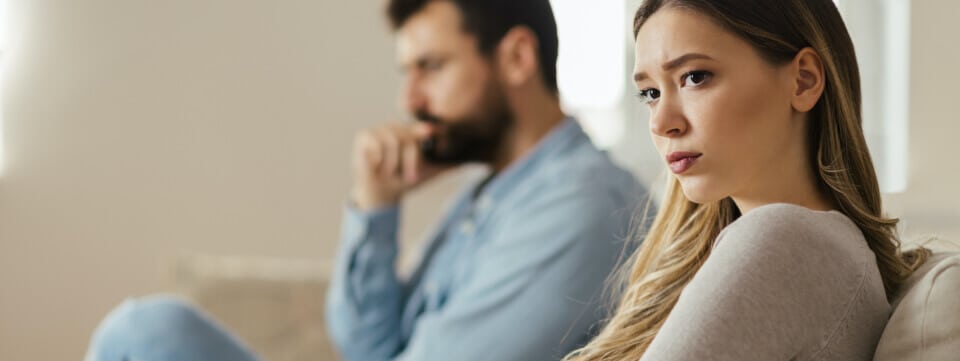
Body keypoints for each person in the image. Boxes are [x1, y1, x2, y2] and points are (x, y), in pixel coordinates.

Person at [84, 1, 647, 360]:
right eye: (406, 73)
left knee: (150, 333)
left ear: (518, 58)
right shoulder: (491, 193)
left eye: (430, 67)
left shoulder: (583, 204)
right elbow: (365, 348)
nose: (408, 101)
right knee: (151, 330)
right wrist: (375, 207)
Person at [563, 1, 930, 360]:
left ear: (804, 80)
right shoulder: (826, 250)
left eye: (694, 77)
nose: (661, 123)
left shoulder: (785, 241)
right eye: (651, 93)